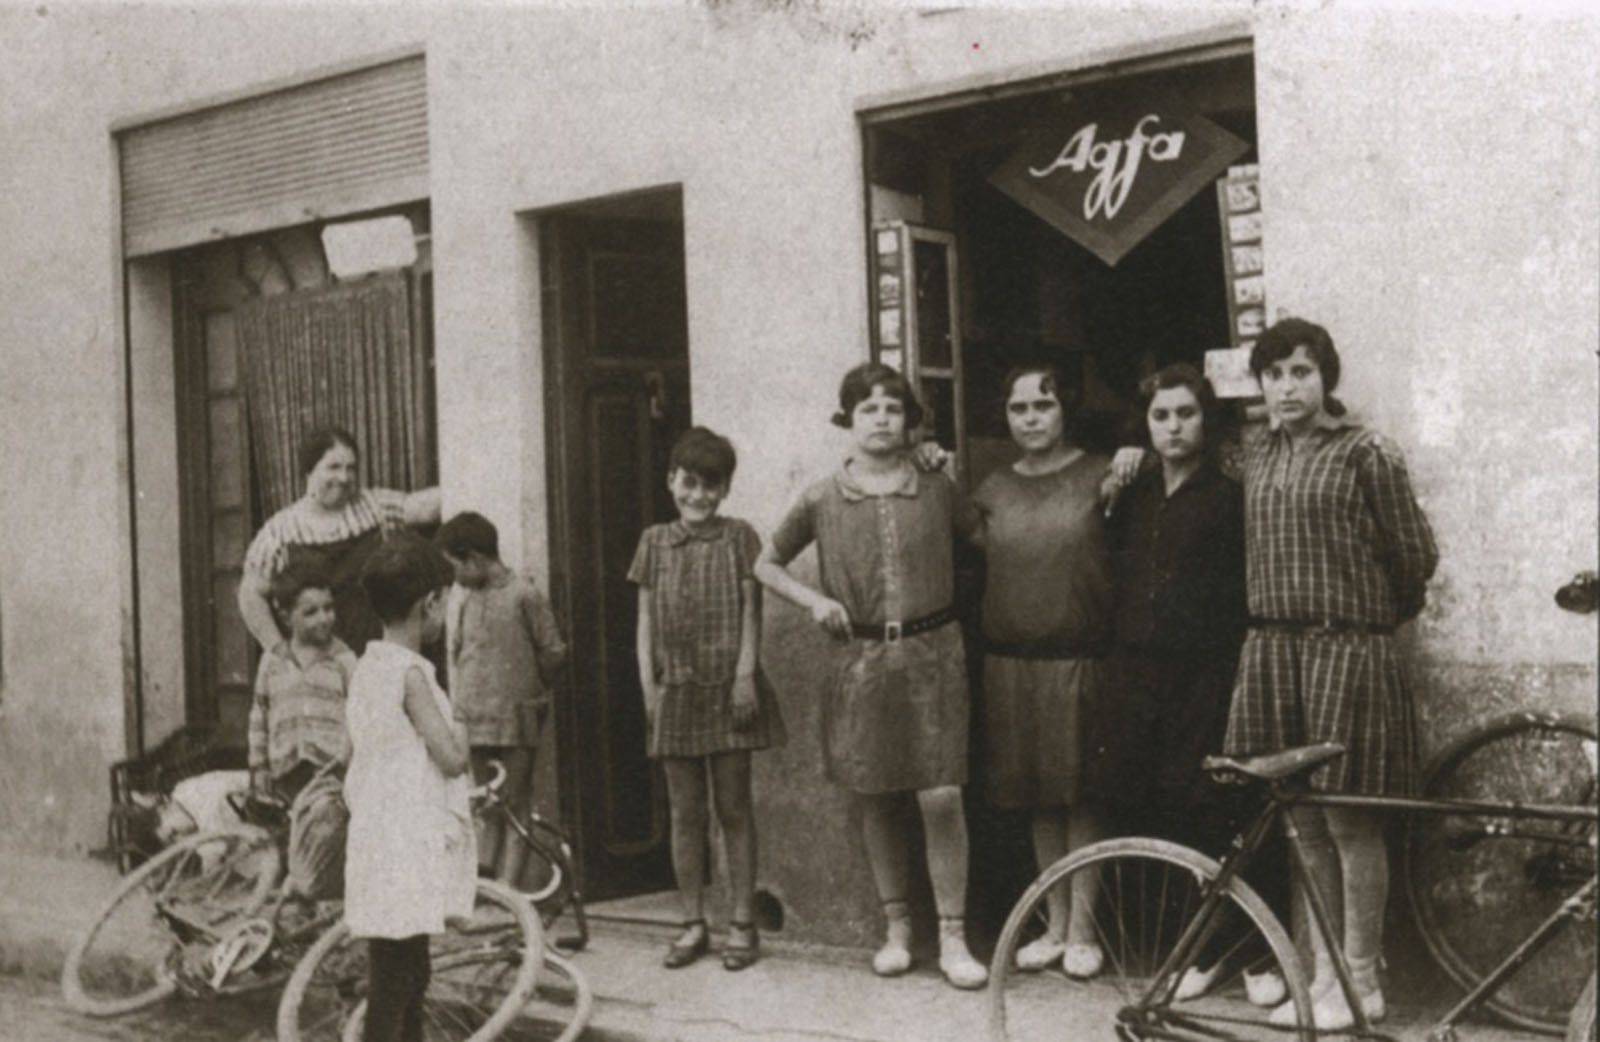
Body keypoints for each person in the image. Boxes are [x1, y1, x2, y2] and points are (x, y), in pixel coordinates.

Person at [1111, 321, 1437, 1029]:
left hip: (1345, 649)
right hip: (1274, 655)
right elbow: (1176, 450)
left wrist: (1362, 621)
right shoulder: (1253, 456)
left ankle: (1359, 982)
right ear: (1258, 386)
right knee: (1304, 827)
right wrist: (1130, 450)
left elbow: (1414, 559)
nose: (1287, 388)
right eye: (1275, 375)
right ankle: (1317, 978)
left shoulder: (1365, 453)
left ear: (1326, 378)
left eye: (1301, 372)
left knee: (1351, 821)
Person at [755, 362, 988, 990]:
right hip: (859, 663)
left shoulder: (937, 486)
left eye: (892, 408)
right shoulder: (822, 496)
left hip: (935, 654)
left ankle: (955, 936)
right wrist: (816, 602)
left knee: (941, 794)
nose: (881, 419)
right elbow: (767, 563)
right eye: (867, 409)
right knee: (877, 794)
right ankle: (897, 929)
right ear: (848, 421)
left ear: (910, 422)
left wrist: (948, 467)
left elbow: (983, 537)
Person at [1103, 364, 1286, 1006]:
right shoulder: (1134, 493)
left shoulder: (1227, 497)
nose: (1174, 426)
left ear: (1206, 422)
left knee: (1219, 804)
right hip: (1139, 673)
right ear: (1147, 424)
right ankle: (1200, 948)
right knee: (1167, 809)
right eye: (1161, 415)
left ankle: (1255, 952)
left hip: (1207, 671)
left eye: (1186, 414)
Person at [971, 364, 1112, 979]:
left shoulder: (1103, 474)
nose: (1030, 418)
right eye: (1018, 407)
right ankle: (1053, 924)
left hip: (1077, 661)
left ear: (1066, 411)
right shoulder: (991, 489)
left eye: (1043, 406)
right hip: (1011, 667)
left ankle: (1084, 930)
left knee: (1078, 792)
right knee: (1036, 798)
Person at [629, 427, 785, 972]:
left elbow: (752, 609)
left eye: (710, 486)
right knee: (685, 812)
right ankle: (691, 921)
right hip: (676, 691)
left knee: (734, 809)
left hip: (729, 689)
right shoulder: (652, 541)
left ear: (725, 489)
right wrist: (650, 688)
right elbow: (644, 620)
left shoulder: (741, 537)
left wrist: (745, 675)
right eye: (689, 483)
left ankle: (741, 921)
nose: (698, 496)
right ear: (671, 480)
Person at [343, 533, 474, 1042]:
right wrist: (461, 719)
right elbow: (451, 759)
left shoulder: (366, 669)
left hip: (376, 835)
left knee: (399, 970)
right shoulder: (413, 676)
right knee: (401, 979)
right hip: (405, 839)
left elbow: (348, 751)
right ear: (432, 603)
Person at [436, 510, 569, 890]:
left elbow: (553, 652)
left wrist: (529, 690)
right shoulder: (463, 600)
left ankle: (509, 891)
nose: (455, 577)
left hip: (516, 718)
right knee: (483, 800)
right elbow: (460, 653)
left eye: (455, 566)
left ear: (475, 559)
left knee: (514, 800)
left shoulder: (524, 595)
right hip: (475, 720)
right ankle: (483, 882)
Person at [239, 426, 441, 655]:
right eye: (333, 467)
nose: (344, 477)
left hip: (372, 658)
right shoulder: (281, 531)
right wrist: (278, 651)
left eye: (351, 468)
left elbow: (423, 508)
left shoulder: (373, 507)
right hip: (316, 668)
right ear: (309, 471)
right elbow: (251, 595)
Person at [246, 557, 355, 899]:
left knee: (322, 838)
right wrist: (259, 767)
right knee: (281, 841)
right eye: (310, 611)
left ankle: (316, 895)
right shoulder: (273, 661)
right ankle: (286, 905)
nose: (324, 618)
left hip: (329, 773)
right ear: (285, 615)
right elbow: (259, 715)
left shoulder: (344, 660)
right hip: (284, 772)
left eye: (328, 608)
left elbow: (359, 715)